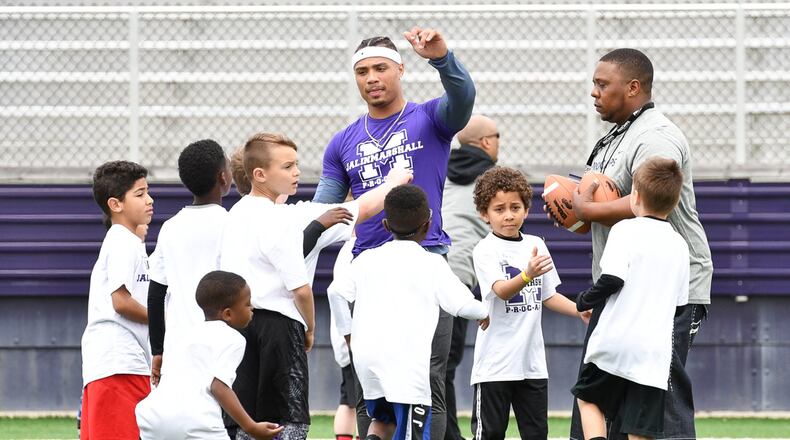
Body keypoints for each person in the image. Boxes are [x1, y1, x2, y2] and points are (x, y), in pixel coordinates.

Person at [314, 27, 476, 440]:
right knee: (375, 388)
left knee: (428, 381)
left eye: (381, 68)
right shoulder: (342, 141)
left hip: (426, 260)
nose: (372, 77)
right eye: (363, 71)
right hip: (369, 268)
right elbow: (325, 212)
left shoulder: (429, 118)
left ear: (400, 69)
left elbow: (462, 101)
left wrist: (442, 59)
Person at [220, 132, 412, 440]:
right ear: (259, 174)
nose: (297, 172)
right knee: (288, 422)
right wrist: (394, 180)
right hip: (281, 326)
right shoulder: (292, 217)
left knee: (243, 421)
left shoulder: (233, 216)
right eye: (287, 166)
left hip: (236, 327)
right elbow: (363, 208)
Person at [564, 48, 713, 440]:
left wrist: (587, 209)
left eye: (601, 84)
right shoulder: (618, 135)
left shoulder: (655, 136)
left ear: (632, 87)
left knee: (659, 396)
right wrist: (577, 213)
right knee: (600, 393)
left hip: (663, 294)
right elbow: (613, 203)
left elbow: (652, 198)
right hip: (625, 291)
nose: (593, 92)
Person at [330, 184, 489, 440]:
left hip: (367, 361)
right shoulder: (432, 263)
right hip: (407, 368)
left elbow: (335, 293)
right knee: (412, 429)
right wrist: (484, 311)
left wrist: (348, 334)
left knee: (380, 421)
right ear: (428, 224)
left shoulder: (365, 260)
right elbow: (462, 304)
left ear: (385, 225)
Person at [572, 157, 690, 440]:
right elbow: (680, 306)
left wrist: (583, 300)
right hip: (653, 354)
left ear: (634, 196)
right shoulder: (680, 245)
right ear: (674, 204)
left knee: (589, 399)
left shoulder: (624, 229)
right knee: (641, 429)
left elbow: (612, 278)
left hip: (614, 344)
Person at [471, 167, 587, 440]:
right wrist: (527, 275)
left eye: (515, 207)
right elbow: (501, 291)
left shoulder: (536, 244)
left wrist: (579, 310)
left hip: (531, 364)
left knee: (536, 434)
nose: (509, 215)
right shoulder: (485, 249)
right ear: (484, 214)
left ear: (526, 209)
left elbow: (548, 296)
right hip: (494, 366)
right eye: (499, 209)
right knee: (490, 434)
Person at [136, 270, 284, 440]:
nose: (252, 308)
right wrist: (251, 427)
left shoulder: (187, 334)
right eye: (247, 304)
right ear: (228, 313)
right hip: (195, 421)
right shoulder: (233, 339)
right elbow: (218, 386)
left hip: (152, 417)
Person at [146, 139, 233, 386]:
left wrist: (158, 350)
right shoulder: (231, 224)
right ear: (223, 177)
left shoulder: (170, 227)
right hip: (220, 346)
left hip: (178, 347)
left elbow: (155, 294)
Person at [80, 160, 153, 440]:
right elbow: (120, 302)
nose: (149, 200)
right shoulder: (122, 240)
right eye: (140, 193)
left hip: (119, 362)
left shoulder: (129, 242)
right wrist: (164, 321)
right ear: (116, 204)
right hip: (119, 363)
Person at [440, 114, 500, 440]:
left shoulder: (442, 170)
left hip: (433, 266)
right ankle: (448, 435)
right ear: (487, 142)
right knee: (447, 361)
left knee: (438, 361)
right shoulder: (494, 178)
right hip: (461, 273)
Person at [327, 238, 359, 440]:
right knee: (360, 402)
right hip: (354, 339)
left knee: (349, 398)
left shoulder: (350, 248)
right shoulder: (356, 249)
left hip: (348, 338)